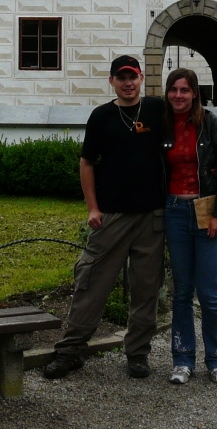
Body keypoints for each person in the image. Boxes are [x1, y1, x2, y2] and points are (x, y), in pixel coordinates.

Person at [43, 54, 167, 380]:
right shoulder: (101, 116)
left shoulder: (157, 109)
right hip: (112, 216)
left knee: (146, 289)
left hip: (152, 217)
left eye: (133, 77)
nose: (128, 83)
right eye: (121, 78)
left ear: (141, 79)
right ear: (111, 81)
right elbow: (87, 162)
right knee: (91, 283)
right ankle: (71, 351)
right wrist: (92, 208)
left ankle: (138, 354)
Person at [162, 67, 217, 384]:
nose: (178, 95)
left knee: (208, 292)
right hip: (175, 210)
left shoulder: (209, 123)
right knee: (181, 292)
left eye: (185, 90)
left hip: (206, 210)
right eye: (173, 89)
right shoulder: (163, 125)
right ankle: (182, 360)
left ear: (195, 93)